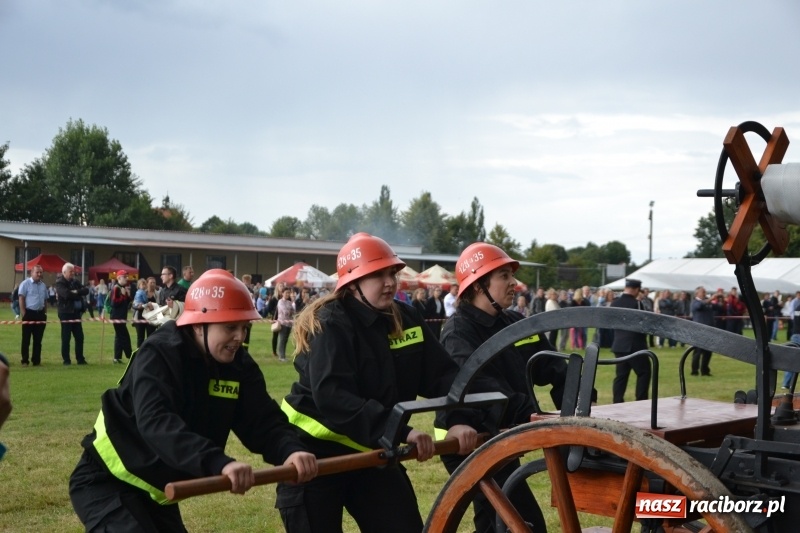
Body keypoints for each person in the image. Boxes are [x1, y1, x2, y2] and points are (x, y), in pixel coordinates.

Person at [69, 269, 318, 531]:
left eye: (244, 327)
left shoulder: (238, 366)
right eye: (230, 327)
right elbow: (157, 423)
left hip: (157, 493)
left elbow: (263, 422)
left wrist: (291, 450)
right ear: (199, 324)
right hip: (106, 482)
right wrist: (218, 463)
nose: (240, 337)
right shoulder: (160, 354)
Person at [276, 232, 478, 533]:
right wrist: (400, 430)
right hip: (314, 454)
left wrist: (458, 420)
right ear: (352, 282)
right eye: (377, 275)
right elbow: (334, 397)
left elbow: (444, 376)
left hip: (371, 449)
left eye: (392, 273)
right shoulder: (330, 323)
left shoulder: (406, 318)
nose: (389, 282)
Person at [437, 242, 567, 533]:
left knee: (495, 522)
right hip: (469, 442)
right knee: (522, 522)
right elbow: (484, 388)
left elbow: (552, 364)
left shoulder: (511, 322)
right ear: (479, 284)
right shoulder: (458, 333)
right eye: (505, 276)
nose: (515, 284)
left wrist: (576, 400)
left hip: (503, 436)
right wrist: (536, 417)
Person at [611, 279, 651, 403]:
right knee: (644, 372)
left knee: (621, 376)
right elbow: (642, 324)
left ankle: (617, 400)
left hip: (619, 343)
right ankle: (641, 399)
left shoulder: (614, 303)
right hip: (635, 344)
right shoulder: (637, 304)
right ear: (636, 289)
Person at [55, 263, 90, 365]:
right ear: (64, 272)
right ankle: (66, 360)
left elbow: (86, 290)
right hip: (65, 312)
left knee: (79, 337)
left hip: (76, 313)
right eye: (71, 271)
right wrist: (77, 293)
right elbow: (66, 294)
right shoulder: (60, 283)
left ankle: (80, 359)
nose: (73, 273)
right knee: (66, 337)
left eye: (73, 271)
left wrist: (76, 292)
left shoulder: (75, 282)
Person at [19, 265, 48, 366]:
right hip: (29, 313)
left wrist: (45, 313)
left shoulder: (43, 285)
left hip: (40, 314)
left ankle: (36, 360)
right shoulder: (25, 284)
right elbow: (21, 298)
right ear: (32, 273)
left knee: (38, 340)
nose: (39, 274)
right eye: (37, 272)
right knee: (26, 339)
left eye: (41, 272)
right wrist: (24, 313)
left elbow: (45, 300)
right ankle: (25, 360)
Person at [691, 286, 716, 376]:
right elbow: (699, 306)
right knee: (698, 351)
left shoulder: (707, 302)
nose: (705, 294)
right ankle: (694, 371)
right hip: (699, 330)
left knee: (708, 352)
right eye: (703, 292)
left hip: (709, 330)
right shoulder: (695, 302)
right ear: (697, 294)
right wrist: (710, 299)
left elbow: (718, 308)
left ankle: (705, 370)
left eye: (705, 292)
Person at [109, 270, 133, 364]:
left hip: (122, 316)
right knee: (124, 337)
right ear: (118, 278)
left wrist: (127, 296)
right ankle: (130, 356)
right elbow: (114, 303)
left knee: (119, 337)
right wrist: (123, 296)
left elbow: (127, 303)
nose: (126, 279)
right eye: (124, 277)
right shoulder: (116, 288)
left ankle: (117, 357)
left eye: (127, 277)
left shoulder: (123, 288)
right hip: (117, 317)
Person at [133, 277, 158, 348]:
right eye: (151, 283)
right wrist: (138, 306)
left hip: (152, 318)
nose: (153, 284)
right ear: (147, 284)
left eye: (154, 283)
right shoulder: (141, 292)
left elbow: (160, 305)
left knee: (151, 337)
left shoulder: (158, 294)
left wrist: (154, 307)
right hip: (140, 317)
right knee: (140, 338)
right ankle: (139, 355)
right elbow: (134, 305)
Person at [275, 287, 295, 362]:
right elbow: (285, 312)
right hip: (282, 323)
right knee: (282, 339)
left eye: (288, 293)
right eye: (286, 293)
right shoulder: (280, 301)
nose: (287, 294)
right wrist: (290, 311)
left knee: (285, 340)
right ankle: (281, 356)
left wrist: (290, 310)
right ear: (282, 293)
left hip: (289, 324)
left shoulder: (289, 302)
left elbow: (293, 311)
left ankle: (283, 355)